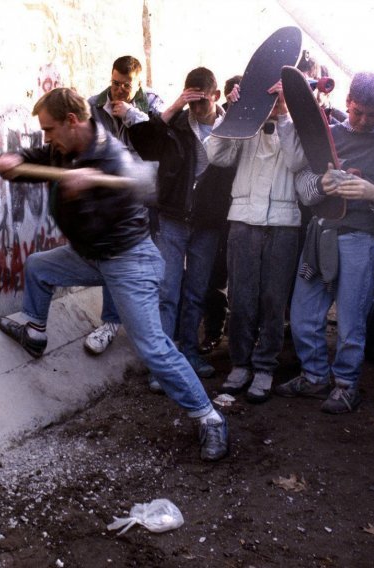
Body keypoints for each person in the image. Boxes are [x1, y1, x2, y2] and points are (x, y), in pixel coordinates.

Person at [0, 88, 229, 461]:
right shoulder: (64, 147)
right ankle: (35, 332)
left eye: (50, 129)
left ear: (73, 121)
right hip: (91, 255)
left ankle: (209, 418)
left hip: (129, 260)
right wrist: (16, 160)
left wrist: (85, 195)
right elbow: (39, 156)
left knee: (153, 347)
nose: (46, 137)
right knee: (39, 266)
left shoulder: (113, 159)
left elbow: (121, 211)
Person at [276, 71, 374, 413]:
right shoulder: (326, 136)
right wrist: (322, 184)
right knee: (304, 311)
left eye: (373, 114)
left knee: (352, 317)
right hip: (319, 236)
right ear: (348, 101)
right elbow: (305, 192)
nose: (364, 121)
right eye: (357, 111)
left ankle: (346, 384)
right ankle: (314, 375)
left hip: (361, 240)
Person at [128, 67, 235, 391]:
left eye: (202, 102)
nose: (197, 109)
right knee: (167, 291)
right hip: (174, 219)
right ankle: (163, 363)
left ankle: (189, 353)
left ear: (215, 96)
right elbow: (143, 142)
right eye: (192, 102)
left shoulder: (231, 126)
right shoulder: (176, 122)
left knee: (196, 292)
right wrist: (173, 107)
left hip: (207, 224)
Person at [204, 79, 307, 403]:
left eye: (279, 95)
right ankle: (240, 364)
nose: (273, 101)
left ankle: (264, 367)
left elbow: (296, 161)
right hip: (244, 222)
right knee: (241, 299)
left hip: (283, 225)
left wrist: (285, 115)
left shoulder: (297, 124)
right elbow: (216, 154)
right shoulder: (245, 123)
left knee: (274, 302)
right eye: (270, 96)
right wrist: (234, 114)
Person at [83, 56, 165, 357]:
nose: (118, 90)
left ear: (138, 84)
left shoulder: (152, 103)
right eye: (115, 83)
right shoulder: (95, 105)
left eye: (126, 86)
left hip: (147, 193)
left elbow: (160, 140)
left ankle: (150, 328)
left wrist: (132, 114)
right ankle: (110, 323)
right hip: (113, 197)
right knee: (114, 253)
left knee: (148, 260)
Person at [199, 74, 242, 355]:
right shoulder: (223, 124)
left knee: (238, 280)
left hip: (241, 214)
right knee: (214, 278)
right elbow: (215, 156)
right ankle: (214, 332)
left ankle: (235, 335)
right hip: (216, 216)